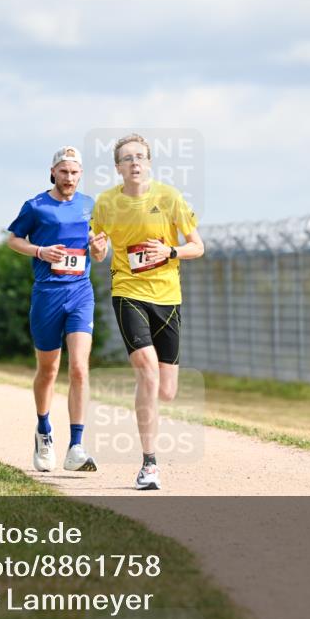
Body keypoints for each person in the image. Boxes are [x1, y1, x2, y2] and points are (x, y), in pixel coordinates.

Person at [90, 134, 205, 490]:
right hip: (127, 292)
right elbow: (97, 253)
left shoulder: (169, 198)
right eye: (127, 159)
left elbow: (197, 247)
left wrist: (169, 252)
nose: (134, 163)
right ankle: (149, 464)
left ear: (150, 163)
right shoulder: (106, 203)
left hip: (167, 298)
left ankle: (147, 406)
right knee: (148, 373)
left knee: (166, 390)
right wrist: (96, 248)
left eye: (140, 157)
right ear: (118, 168)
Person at [7, 146, 103, 473]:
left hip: (80, 292)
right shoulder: (36, 206)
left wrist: (100, 249)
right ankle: (43, 431)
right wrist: (39, 250)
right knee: (48, 370)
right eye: (64, 172)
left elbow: (99, 250)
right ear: (53, 173)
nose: (69, 178)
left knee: (78, 368)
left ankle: (76, 446)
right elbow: (13, 239)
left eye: (75, 172)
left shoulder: (91, 205)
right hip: (47, 293)